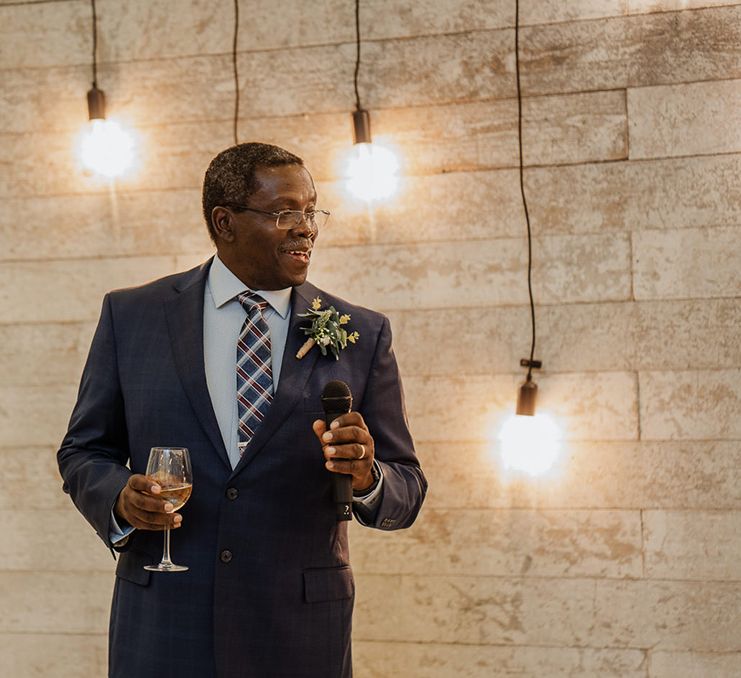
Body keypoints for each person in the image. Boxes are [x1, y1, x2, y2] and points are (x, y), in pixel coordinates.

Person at [57, 142, 427, 678]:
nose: (306, 227)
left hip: (298, 634)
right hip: (163, 625)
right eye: (285, 213)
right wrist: (119, 498)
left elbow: (407, 487)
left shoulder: (362, 333)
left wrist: (368, 476)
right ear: (224, 222)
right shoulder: (132, 315)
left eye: (311, 211)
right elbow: (84, 450)